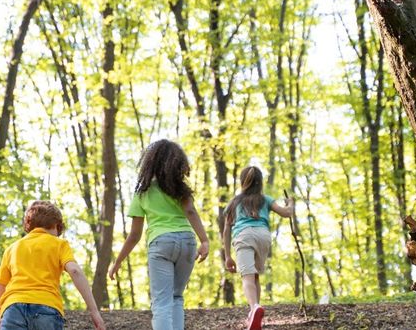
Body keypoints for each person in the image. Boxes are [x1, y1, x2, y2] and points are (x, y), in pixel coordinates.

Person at [108, 139, 210, 330]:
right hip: (187, 241)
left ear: (150, 162)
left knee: (162, 302)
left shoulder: (143, 192)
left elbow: (134, 235)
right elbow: (191, 212)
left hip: (161, 242)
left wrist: (118, 261)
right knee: (176, 297)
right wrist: (204, 240)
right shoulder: (180, 188)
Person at [0, 200, 105, 330]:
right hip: (46, 308)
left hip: (13, 309)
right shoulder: (59, 244)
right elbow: (75, 271)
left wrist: (2, 324)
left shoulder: (12, 249)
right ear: (56, 225)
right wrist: (94, 311)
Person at [222, 166, 294, 330]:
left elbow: (226, 230)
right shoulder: (266, 199)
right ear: (260, 182)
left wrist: (227, 255)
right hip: (263, 236)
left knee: (247, 277)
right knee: (255, 277)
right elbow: (286, 213)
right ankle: (255, 313)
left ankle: (254, 307)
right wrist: (290, 203)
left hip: (244, 236)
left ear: (242, 182)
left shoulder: (234, 202)